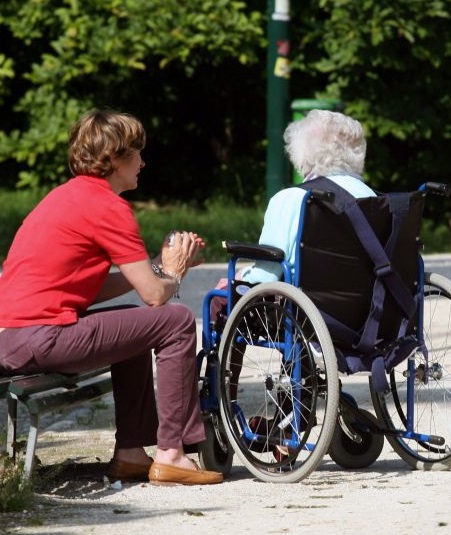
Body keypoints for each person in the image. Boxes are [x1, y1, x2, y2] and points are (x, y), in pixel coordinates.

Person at [0, 109, 223, 486]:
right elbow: (155, 297)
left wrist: (155, 266)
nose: (143, 161)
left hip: (13, 338)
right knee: (176, 320)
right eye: (137, 153)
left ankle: (131, 452)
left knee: (133, 324)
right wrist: (172, 272)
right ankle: (172, 454)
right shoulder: (108, 207)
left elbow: (91, 287)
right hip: (42, 337)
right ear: (116, 158)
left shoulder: (65, 197)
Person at [212, 108, 375, 319]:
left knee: (219, 298)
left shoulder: (292, 198)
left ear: (301, 153)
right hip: (368, 311)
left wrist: (239, 276)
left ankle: (221, 352)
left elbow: (265, 275)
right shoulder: (372, 197)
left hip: (306, 312)